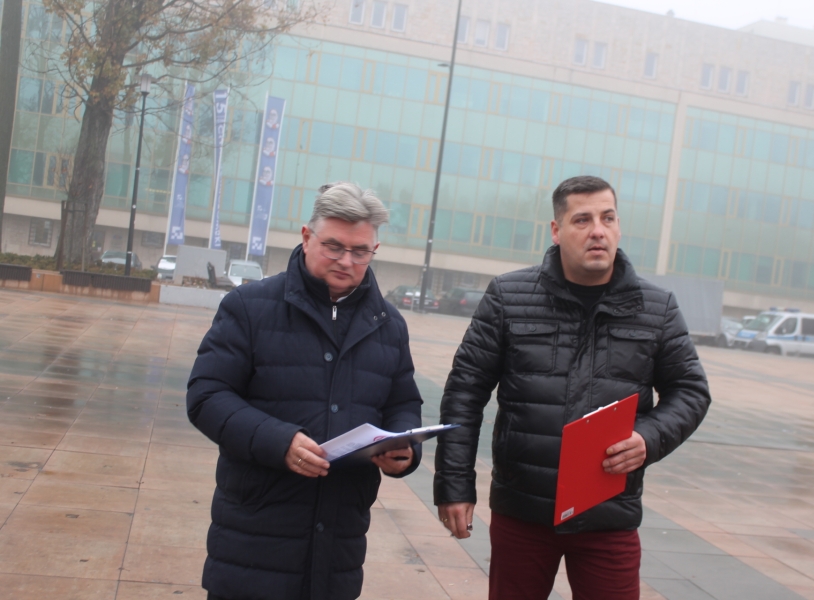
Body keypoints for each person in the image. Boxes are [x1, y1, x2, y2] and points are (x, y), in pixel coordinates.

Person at [433, 175, 711, 600]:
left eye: (608, 218)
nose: (598, 230)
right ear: (556, 230)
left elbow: (691, 391)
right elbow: (464, 393)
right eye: (582, 220)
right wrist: (454, 485)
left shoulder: (656, 308)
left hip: (609, 514)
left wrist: (649, 437)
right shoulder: (509, 296)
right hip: (523, 511)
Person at [187, 182, 423, 600]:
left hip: (340, 540)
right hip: (254, 535)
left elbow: (402, 402)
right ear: (306, 236)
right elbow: (207, 396)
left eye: (360, 251)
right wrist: (279, 441)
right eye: (334, 246)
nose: (346, 261)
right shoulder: (249, 306)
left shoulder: (388, 324)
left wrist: (404, 449)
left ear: (374, 250)